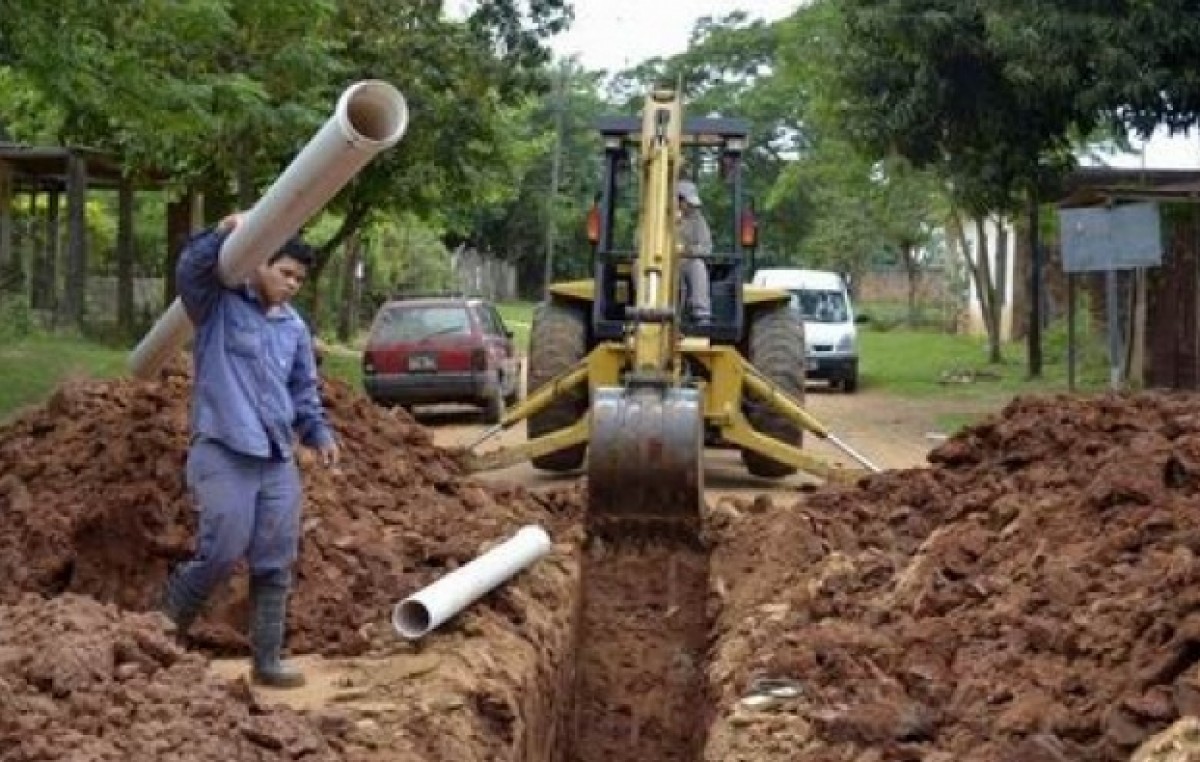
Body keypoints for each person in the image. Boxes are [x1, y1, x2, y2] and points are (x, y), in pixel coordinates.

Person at [160, 212, 340, 689]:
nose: (293, 285)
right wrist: (222, 233)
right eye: (285, 273)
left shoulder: (293, 328)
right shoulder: (215, 305)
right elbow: (189, 271)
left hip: (276, 458)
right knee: (221, 551)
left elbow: (303, 391)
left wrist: (318, 434)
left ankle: (267, 661)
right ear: (259, 265)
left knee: (275, 558)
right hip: (224, 450)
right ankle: (160, 638)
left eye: (300, 279)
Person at [677, 179, 713, 324]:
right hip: (659, 261)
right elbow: (638, 242)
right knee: (638, 264)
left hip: (685, 261)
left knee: (698, 265)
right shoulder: (655, 217)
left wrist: (690, 250)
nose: (691, 207)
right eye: (688, 203)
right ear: (677, 200)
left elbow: (706, 247)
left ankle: (702, 315)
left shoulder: (697, 219)